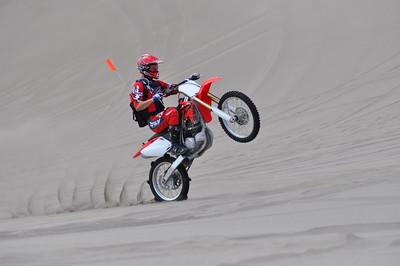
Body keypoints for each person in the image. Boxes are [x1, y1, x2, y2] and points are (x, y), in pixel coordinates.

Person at [129, 53, 187, 156]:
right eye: (153, 67)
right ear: (145, 68)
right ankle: (175, 146)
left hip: (162, 116)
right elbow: (138, 106)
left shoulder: (156, 83)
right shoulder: (139, 85)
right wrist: (153, 99)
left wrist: (187, 82)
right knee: (173, 112)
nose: (156, 69)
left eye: (156, 67)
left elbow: (172, 88)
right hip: (153, 120)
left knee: (185, 107)